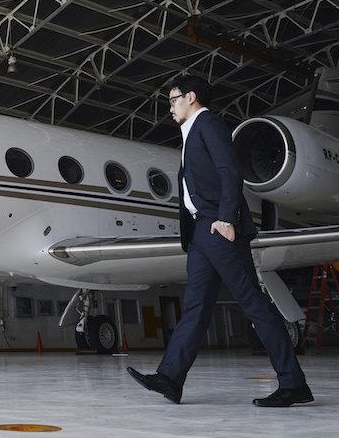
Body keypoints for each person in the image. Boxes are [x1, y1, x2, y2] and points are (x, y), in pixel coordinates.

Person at [127, 74, 312, 407]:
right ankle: (170, 378)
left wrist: (226, 219)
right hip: (200, 232)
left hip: (217, 227)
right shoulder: (190, 133)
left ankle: (293, 384)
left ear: (191, 97)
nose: (170, 107)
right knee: (196, 307)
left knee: (253, 304)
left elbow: (230, 171)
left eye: (173, 100)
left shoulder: (209, 124)